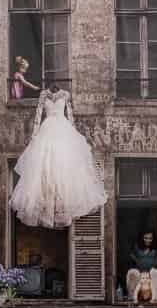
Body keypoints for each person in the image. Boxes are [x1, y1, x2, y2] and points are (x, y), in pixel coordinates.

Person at [10, 85, 105, 228]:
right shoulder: (43, 95)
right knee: (45, 164)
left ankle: (62, 203)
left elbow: (70, 114)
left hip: (62, 127)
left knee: (63, 163)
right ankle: (49, 202)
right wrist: (35, 135)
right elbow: (38, 114)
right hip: (47, 127)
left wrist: (73, 133)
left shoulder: (65, 95)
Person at [124, 228, 157, 302]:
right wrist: (137, 261)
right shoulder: (137, 247)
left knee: (156, 273)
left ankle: (154, 299)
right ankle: (133, 298)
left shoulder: (156, 249)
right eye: (146, 238)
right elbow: (131, 255)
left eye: (150, 238)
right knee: (132, 272)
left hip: (150, 277)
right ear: (142, 238)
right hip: (140, 276)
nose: (148, 240)